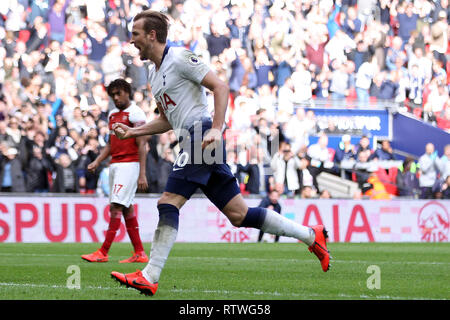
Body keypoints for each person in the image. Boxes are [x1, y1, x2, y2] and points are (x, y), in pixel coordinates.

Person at [110, 10, 331, 297]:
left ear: (152, 35)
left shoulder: (179, 57)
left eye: (136, 34)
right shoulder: (154, 73)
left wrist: (216, 127)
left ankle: (150, 276)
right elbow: (167, 119)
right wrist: (133, 132)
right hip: (195, 139)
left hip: (201, 136)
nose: (132, 40)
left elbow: (220, 86)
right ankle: (311, 236)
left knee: (167, 202)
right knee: (239, 215)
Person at [81, 79, 149, 264]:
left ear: (128, 92)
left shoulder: (135, 113)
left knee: (115, 206)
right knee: (126, 207)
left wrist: (142, 173)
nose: (116, 98)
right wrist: (97, 161)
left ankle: (103, 251)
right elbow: (111, 144)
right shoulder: (112, 114)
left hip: (129, 164)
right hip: (115, 164)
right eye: (113, 95)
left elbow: (143, 144)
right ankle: (140, 253)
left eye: (119, 93)